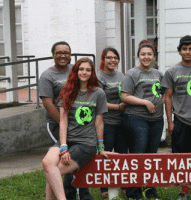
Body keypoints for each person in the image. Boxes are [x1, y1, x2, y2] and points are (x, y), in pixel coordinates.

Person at [42, 58, 115, 200]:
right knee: (48, 163)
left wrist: (100, 147)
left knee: (54, 171)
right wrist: (63, 147)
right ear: (75, 71)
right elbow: (63, 121)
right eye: (81, 69)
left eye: (88, 70)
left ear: (92, 73)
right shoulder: (67, 91)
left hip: (86, 144)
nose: (84, 72)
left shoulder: (98, 93)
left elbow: (99, 122)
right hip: (67, 140)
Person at [39, 41, 93, 200]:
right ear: (53, 55)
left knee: (61, 164)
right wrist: (67, 126)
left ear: (70, 55)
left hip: (78, 124)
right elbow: (48, 104)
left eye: (66, 52)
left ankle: (77, 193)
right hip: (57, 125)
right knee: (63, 159)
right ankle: (70, 194)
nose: (63, 56)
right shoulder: (47, 76)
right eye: (59, 53)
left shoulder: (75, 71)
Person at [161, 35, 191, 200]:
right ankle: (184, 191)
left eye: (190, 49)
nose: (187, 52)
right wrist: (170, 121)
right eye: (184, 49)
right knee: (180, 158)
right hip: (180, 121)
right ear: (179, 51)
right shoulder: (172, 71)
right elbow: (168, 97)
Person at [121, 43, 164, 200]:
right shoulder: (132, 73)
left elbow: (164, 93)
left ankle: (150, 189)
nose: (146, 57)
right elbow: (124, 96)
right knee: (138, 156)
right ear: (138, 56)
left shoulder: (158, 74)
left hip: (157, 120)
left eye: (149, 54)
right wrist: (144, 102)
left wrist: (161, 102)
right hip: (137, 118)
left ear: (154, 56)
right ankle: (134, 193)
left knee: (151, 156)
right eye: (143, 54)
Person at [96, 47, 128, 198]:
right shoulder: (98, 77)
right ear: (103, 60)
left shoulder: (121, 75)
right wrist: (118, 107)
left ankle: (123, 184)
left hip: (121, 122)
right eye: (109, 57)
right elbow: (97, 101)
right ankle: (104, 187)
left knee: (122, 155)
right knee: (106, 155)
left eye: (115, 57)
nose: (113, 60)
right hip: (106, 122)